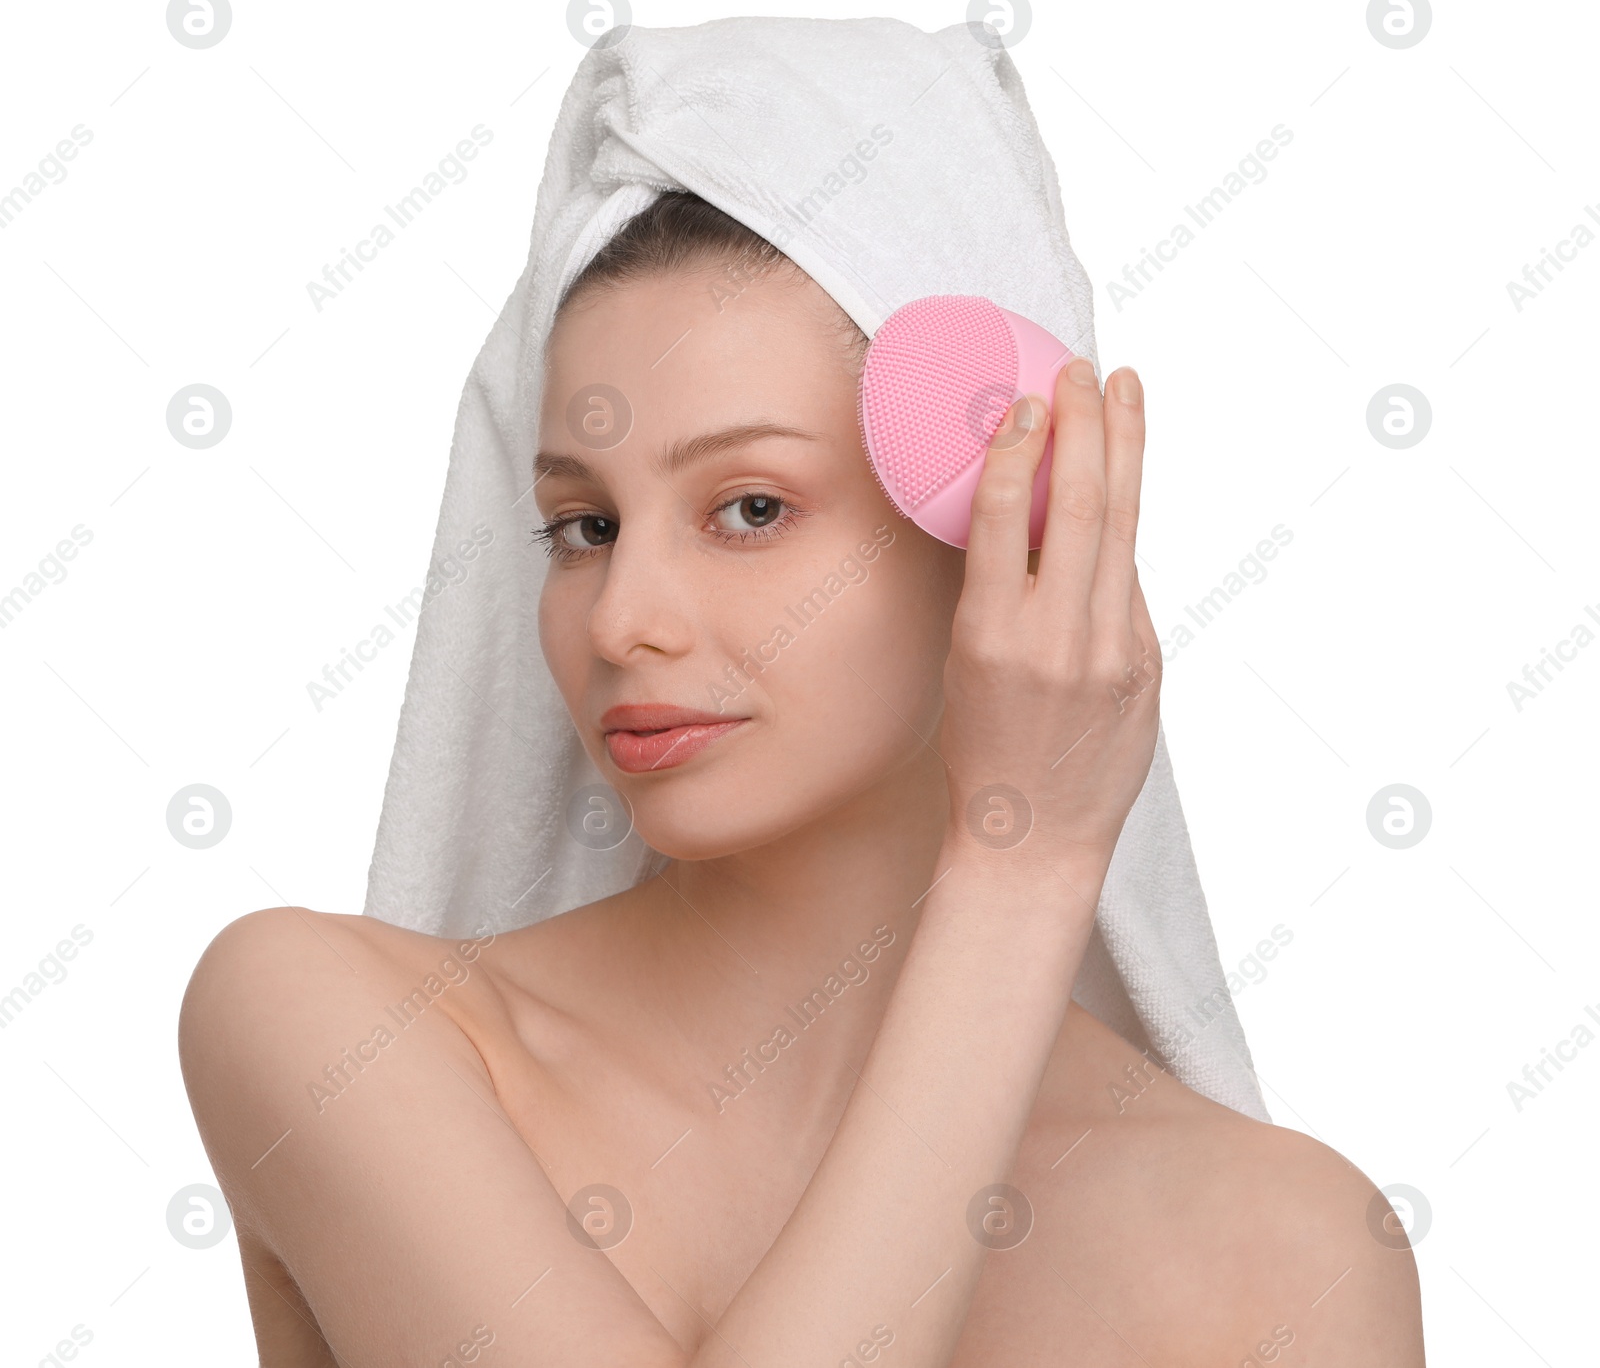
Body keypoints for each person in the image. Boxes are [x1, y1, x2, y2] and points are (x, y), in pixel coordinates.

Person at [179, 188, 1424, 1365]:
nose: (624, 620)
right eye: (586, 527)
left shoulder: (1291, 1244)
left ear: (1013, 520)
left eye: (752, 508)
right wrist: (1020, 866)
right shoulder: (334, 1028)